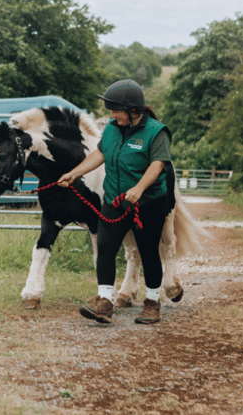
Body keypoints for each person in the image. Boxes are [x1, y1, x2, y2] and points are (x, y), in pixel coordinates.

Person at [57, 79, 172, 325]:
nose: (111, 114)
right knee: (106, 248)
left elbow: (158, 163)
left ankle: (152, 303)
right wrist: (74, 173)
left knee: (149, 252)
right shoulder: (112, 127)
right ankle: (104, 302)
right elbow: (101, 153)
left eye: (115, 109)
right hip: (114, 201)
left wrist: (139, 188)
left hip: (148, 204)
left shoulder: (156, 131)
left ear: (133, 110)